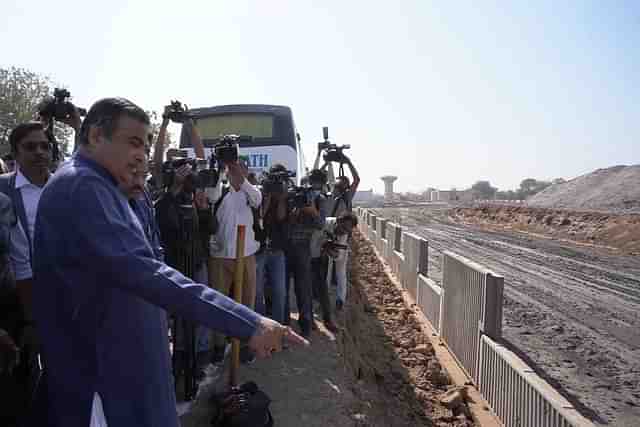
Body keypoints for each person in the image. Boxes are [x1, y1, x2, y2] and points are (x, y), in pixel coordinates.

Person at [31, 97, 306, 427]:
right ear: (94, 137)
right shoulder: (80, 185)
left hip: (132, 369)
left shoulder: (110, 186)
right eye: (132, 142)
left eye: (145, 146)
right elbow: (145, 272)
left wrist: (136, 199)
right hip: (104, 380)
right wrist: (249, 324)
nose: (141, 155)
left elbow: (148, 254)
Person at [209, 155, 262, 363]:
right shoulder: (218, 188)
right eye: (233, 167)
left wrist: (243, 180)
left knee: (246, 303)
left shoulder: (251, 191)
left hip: (245, 255)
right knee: (219, 303)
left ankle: (245, 345)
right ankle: (219, 346)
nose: (236, 170)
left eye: (240, 167)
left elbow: (257, 199)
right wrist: (222, 172)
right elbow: (211, 197)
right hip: (220, 256)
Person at [287, 169, 328, 338]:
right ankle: (285, 323)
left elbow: (320, 224)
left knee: (303, 287)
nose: (313, 186)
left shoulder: (320, 200)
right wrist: (295, 210)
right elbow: (285, 220)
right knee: (283, 288)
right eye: (311, 182)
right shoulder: (295, 195)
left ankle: (306, 323)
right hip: (286, 245)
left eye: (317, 183)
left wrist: (312, 211)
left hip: (304, 246)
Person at [255, 164, 289, 325]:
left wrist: (281, 198)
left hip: (277, 249)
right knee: (257, 291)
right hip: (259, 248)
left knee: (279, 291)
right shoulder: (261, 192)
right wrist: (267, 196)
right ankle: (260, 328)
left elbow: (282, 217)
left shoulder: (283, 194)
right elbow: (260, 215)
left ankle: (278, 330)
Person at [323, 212, 358, 310]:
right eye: (344, 228)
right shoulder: (325, 223)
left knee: (341, 271)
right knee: (327, 269)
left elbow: (338, 257)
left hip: (334, 247)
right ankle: (324, 293)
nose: (344, 232)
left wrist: (331, 251)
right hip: (320, 245)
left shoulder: (344, 235)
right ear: (339, 221)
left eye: (348, 230)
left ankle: (340, 300)